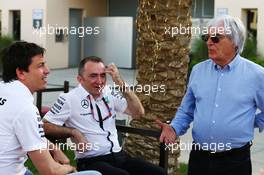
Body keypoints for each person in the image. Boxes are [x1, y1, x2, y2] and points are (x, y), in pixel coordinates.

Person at [157, 15, 264, 175]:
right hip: (199, 159)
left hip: (235, 162)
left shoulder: (257, 75)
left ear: (234, 41)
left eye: (215, 38)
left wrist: (250, 122)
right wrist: (174, 128)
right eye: (206, 37)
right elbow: (187, 110)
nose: (208, 42)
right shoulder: (198, 71)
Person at [43, 56, 167, 175]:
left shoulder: (109, 92)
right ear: (80, 79)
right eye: (93, 76)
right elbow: (45, 125)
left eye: (103, 75)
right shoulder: (69, 99)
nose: (99, 81)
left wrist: (119, 82)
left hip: (119, 156)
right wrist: (73, 132)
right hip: (92, 160)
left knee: (158, 173)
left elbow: (138, 112)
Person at [0, 41, 101, 175]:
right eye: (41, 65)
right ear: (21, 73)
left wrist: (53, 147)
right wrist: (70, 169)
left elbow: (27, 132)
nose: (48, 70)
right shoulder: (25, 109)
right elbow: (50, 170)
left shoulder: (4, 89)